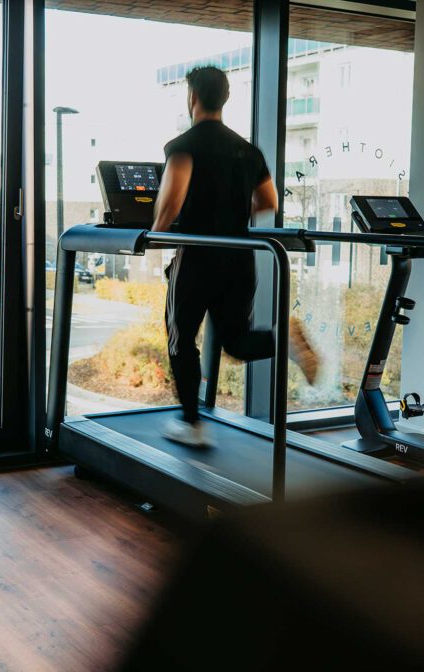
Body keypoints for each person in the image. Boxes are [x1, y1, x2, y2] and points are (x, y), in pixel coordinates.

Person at [153, 65, 319, 448]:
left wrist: (157, 232)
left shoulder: (183, 146)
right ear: (224, 98)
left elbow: (167, 210)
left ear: (192, 97)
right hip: (241, 258)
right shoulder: (248, 151)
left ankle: (191, 423)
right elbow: (269, 202)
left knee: (180, 341)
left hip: (197, 259)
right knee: (237, 341)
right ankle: (284, 341)